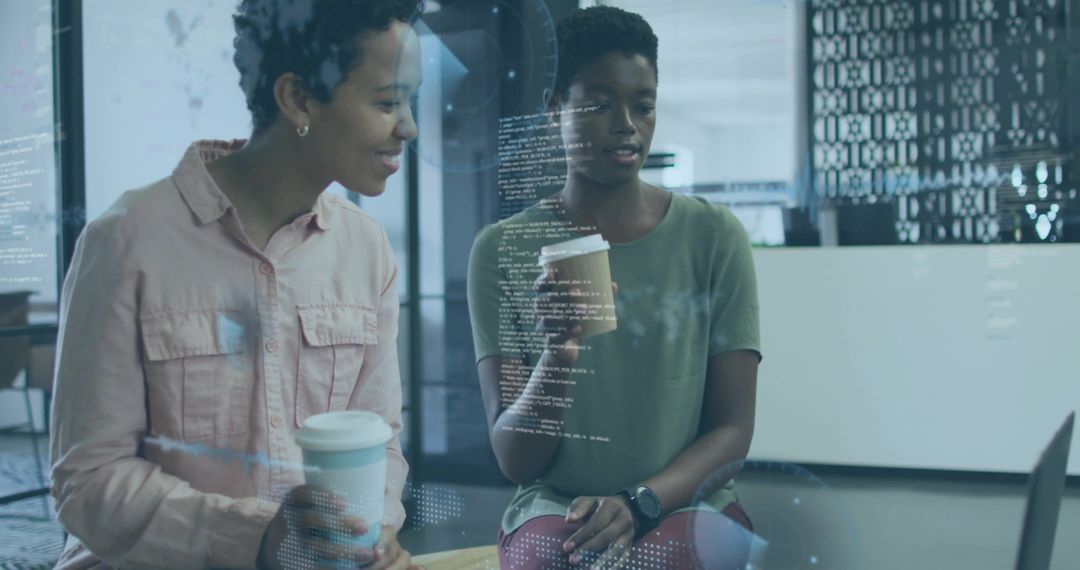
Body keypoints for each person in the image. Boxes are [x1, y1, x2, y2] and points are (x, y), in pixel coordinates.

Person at [49, 1, 423, 568]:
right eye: (387, 102)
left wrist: (367, 534)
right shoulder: (126, 242)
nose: (410, 127)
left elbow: (381, 445)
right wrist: (259, 537)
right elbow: (88, 480)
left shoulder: (366, 248)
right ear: (298, 98)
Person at [467, 6, 761, 569]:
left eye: (643, 105)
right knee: (561, 559)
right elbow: (515, 459)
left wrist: (640, 502)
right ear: (556, 113)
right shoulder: (502, 249)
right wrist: (559, 353)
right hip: (558, 507)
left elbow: (731, 429)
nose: (626, 123)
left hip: (684, 504)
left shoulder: (714, 236)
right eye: (599, 104)